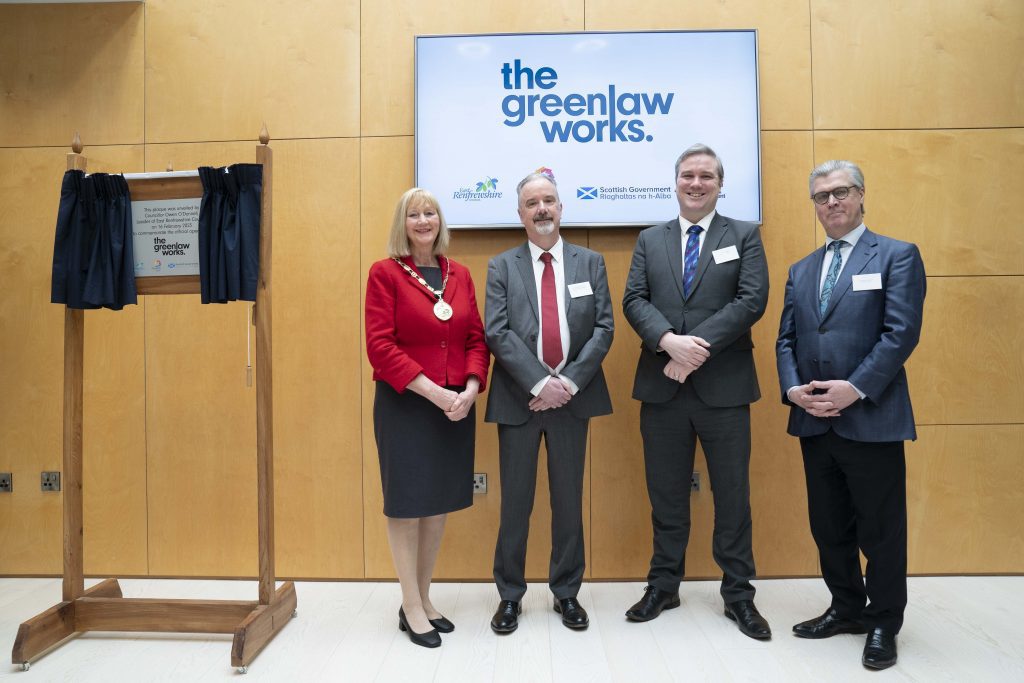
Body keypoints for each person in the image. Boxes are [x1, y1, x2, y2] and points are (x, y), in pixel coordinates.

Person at [776, 160, 925, 670]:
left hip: (871, 417)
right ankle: (845, 607)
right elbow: (786, 340)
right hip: (814, 419)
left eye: (841, 192)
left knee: (881, 529)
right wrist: (794, 389)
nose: (832, 202)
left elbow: (899, 334)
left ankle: (884, 620)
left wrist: (854, 389)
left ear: (861, 196)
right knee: (829, 525)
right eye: (821, 196)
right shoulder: (801, 269)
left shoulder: (897, 256)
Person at [621, 143, 771, 639]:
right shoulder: (650, 239)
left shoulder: (744, 235)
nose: (696, 183)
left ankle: (738, 594)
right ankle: (663, 584)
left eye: (707, 176)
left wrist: (694, 349)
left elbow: (752, 300)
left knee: (732, 496)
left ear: (720, 184)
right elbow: (634, 299)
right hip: (662, 388)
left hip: (724, 390)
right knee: (666, 495)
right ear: (676, 181)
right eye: (688, 174)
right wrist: (668, 343)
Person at [484, 171, 614, 634]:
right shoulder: (502, 266)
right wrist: (541, 384)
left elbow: (604, 329)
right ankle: (510, 596)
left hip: (572, 402)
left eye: (549, 201)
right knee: (515, 503)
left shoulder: (590, 262)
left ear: (562, 208)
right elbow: (496, 331)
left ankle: (566, 593)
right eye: (532, 203)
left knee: (568, 501)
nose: (542, 209)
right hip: (520, 401)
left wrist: (568, 384)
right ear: (519, 214)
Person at [365, 187, 490, 648]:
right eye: (414, 214)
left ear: (440, 220)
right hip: (406, 405)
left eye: (430, 212)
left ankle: (423, 596)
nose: (423, 220)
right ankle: (410, 604)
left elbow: (476, 339)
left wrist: (472, 388)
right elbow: (380, 346)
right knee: (407, 505)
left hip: (455, 407)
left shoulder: (459, 274)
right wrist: (435, 392)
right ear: (404, 222)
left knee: (436, 504)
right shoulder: (385, 274)